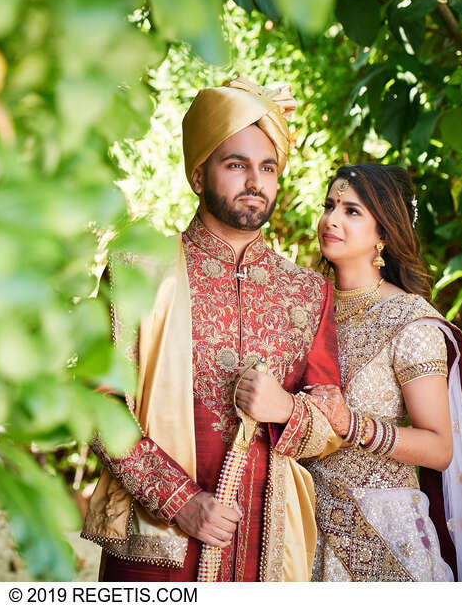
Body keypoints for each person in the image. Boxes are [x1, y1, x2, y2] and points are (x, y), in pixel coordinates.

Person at [80, 77, 342, 582]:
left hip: (264, 555)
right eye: (236, 164)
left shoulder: (308, 292)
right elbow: (99, 401)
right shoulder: (139, 269)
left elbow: (331, 422)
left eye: (267, 167)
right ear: (199, 175)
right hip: (159, 553)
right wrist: (180, 501)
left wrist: (285, 408)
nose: (255, 181)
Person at [302, 163, 462, 581]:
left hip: (381, 529)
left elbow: (438, 447)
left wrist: (351, 424)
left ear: (384, 235)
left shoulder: (410, 321)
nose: (331, 220)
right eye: (329, 206)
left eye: (352, 211)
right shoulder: (304, 308)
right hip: (301, 524)